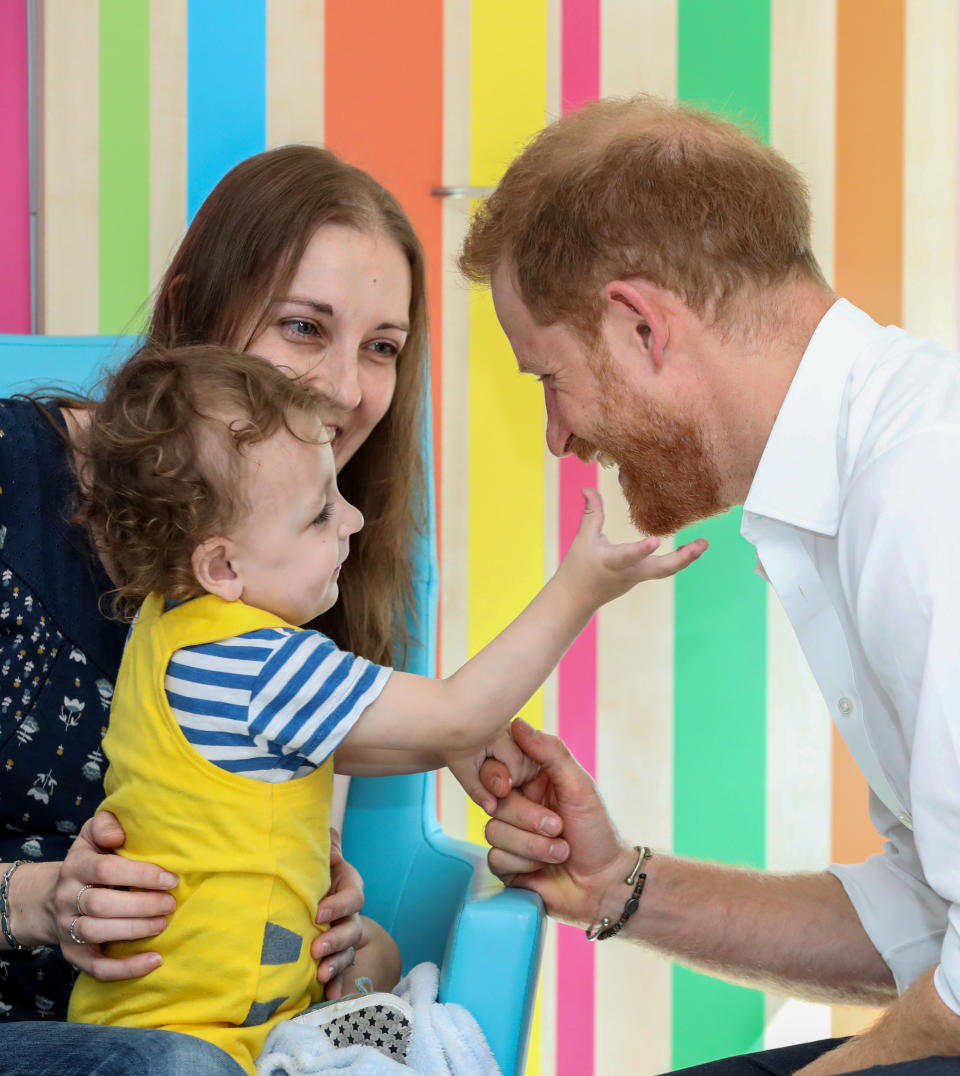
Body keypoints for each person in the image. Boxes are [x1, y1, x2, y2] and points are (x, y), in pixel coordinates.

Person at [460, 95, 960, 1075]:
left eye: (548, 379)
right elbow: (925, 917)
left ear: (642, 325)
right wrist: (616, 883)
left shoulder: (920, 490)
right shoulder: (861, 476)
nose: (559, 438)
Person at [63, 344, 704, 1073]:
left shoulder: (171, 633)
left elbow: (430, 738)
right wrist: (578, 590)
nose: (355, 517)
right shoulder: (261, 666)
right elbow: (454, 717)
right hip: (188, 1040)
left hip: (193, 1016)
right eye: (316, 514)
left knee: (382, 953)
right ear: (223, 567)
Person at [1, 145, 443, 1074]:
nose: (345, 389)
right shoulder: (12, 479)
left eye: (382, 348)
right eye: (302, 326)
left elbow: (374, 938)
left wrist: (339, 942)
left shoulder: (315, 569)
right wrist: (34, 902)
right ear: (193, 309)